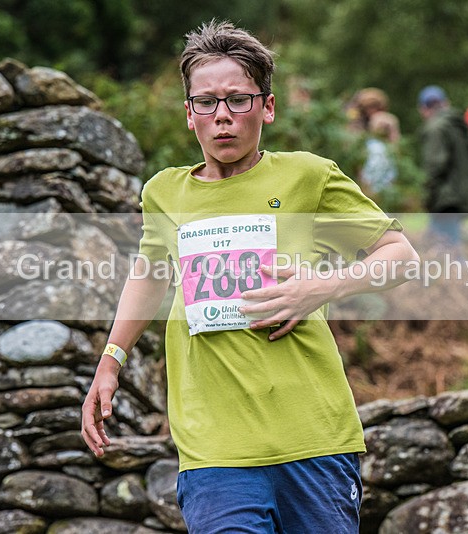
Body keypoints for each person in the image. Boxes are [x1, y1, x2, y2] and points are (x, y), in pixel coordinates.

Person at [81, 20, 419, 533]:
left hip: (314, 437)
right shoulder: (164, 193)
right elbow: (150, 273)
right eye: (207, 102)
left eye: (239, 100)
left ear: (268, 107)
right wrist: (112, 358)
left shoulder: (308, 176)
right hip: (215, 446)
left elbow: (402, 255)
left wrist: (321, 287)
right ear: (188, 114)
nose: (223, 116)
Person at [417, 85, 468, 249]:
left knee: (448, 245)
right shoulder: (458, 125)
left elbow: (435, 166)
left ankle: (459, 273)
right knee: (441, 241)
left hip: (446, 196)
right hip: (463, 194)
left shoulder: (436, 128)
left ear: (423, 109)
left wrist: (427, 193)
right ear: (446, 103)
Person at [348, 88, 400, 193]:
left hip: (385, 169)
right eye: (367, 107)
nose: (371, 110)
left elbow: (396, 145)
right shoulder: (357, 125)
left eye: (374, 106)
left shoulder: (386, 120)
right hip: (366, 175)